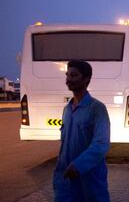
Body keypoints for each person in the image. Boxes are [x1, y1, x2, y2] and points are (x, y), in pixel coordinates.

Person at [53, 60, 111, 202]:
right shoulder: (67, 109)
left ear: (86, 79)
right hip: (65, 179)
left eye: (74, 75)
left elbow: (101, 144)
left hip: (90, 179)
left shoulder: (97, 108)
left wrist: (78, 165)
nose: (68, 79)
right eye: (67, 75)